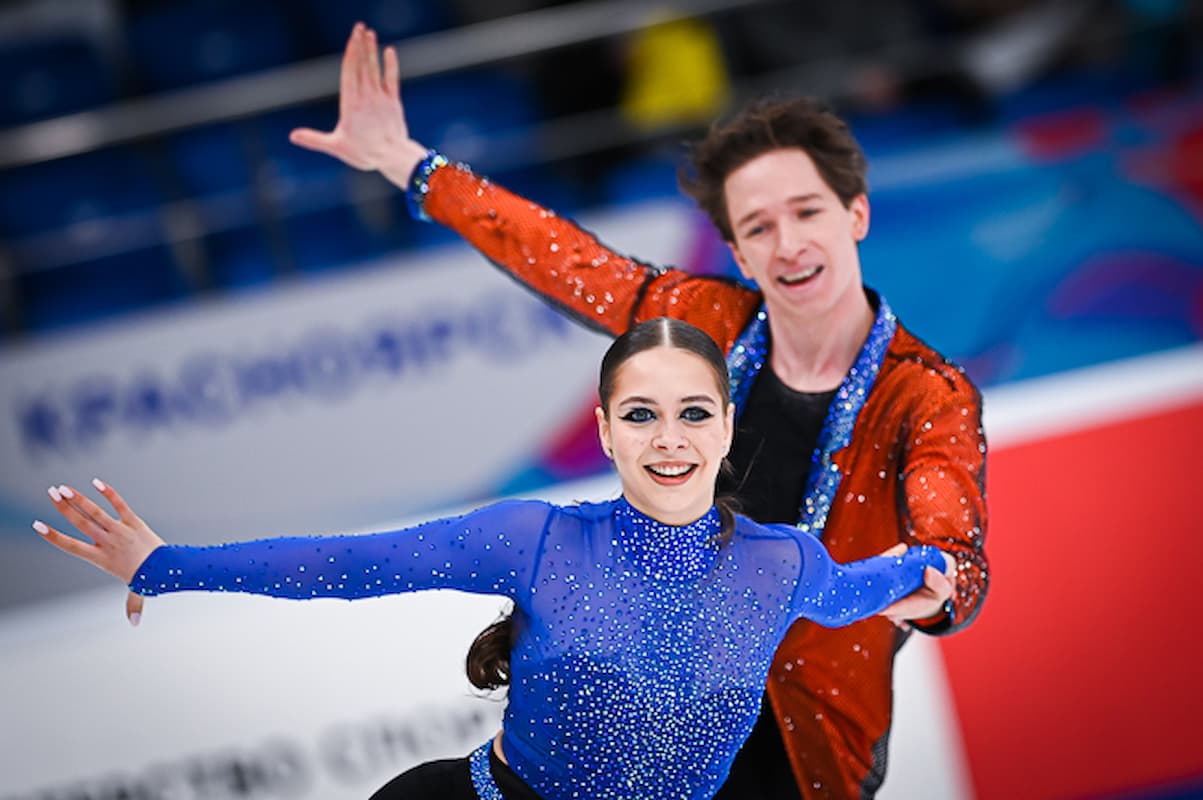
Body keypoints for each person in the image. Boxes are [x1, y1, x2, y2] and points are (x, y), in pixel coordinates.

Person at [288, 23, 990, 799]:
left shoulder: (924, 393)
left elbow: (949, 538)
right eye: (758, 227)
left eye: (807, 213)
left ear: (853, 215)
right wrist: (406, 163)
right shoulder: (711, 321)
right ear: (736, 249)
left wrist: (938, 583)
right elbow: (566, 260)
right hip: (650, 706)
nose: (787, 244)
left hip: (798, 741)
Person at [35, 317, 953, 800]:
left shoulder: (782, 563)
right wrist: (168, 564)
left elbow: (858, 591)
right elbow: (351, 562)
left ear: (725, 429)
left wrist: (929, 574)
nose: (667, 439)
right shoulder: (539, 540)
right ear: (603, 432)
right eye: (640, 415)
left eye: (691, 413)